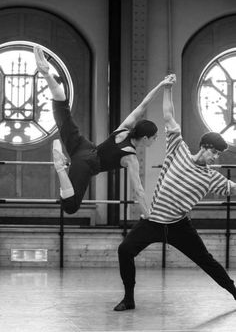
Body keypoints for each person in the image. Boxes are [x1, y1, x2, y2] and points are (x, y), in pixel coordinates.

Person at [114, 73, 236, 311]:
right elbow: (168, 116)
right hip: (153, 220)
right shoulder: (177, 149)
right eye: (214, 153)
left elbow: (233, 189)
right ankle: (129, 298)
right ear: (205, 147)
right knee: (124, 249)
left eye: (218, 156)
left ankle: (234, 292)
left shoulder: (211, 178)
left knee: (206, 261)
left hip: (179, 226)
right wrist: (167, 88)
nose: (215, 158)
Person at [34, 46, 168, 216]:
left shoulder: (124, 129)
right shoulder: (131, 158)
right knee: (70, 207)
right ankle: (60, 167)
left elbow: (143, 104)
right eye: (154, 137)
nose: (155, 140)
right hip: (86, 164)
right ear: (145, 138)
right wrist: (148, 215)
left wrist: (161, 84)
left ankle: (46, 74)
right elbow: (139, 190)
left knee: (62, 110)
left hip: (83, 146)